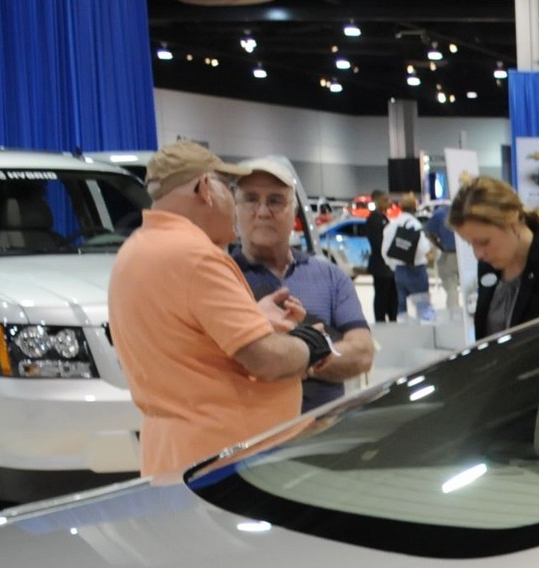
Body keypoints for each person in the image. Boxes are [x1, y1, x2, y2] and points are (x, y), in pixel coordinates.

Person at [108, 140, 334, 478]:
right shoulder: (196, 257)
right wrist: (310, 344)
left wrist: (254, 317)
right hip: (230, 460)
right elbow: (266, 360)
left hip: (173, 453)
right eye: (227, 187)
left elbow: (185, 343)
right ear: (204, 188)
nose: (232, 200)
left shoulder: (134, 252)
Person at [229, 155, 374, 414]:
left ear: (293, 211)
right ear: (235, 208)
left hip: (324, 435)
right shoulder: (221, 279)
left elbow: (362, 353)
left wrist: (287, 359)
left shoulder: (330, 277)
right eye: (251, 199)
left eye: (275, 200)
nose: (262, 212)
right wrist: (317, 348)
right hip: (251, 439)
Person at [450, 175, 539, 335]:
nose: (478, 254)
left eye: (484, 242)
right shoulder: (488, 266)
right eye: (471, 244)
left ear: (512, 223)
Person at [381, 191, 435, 323]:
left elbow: (385, 251)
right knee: (422, 305)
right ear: (415, 207)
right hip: (416, 269)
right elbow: (423, 248)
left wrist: (394, 265)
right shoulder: (415, 224)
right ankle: (425, 333)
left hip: (399, 271)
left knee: (401, 305)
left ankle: (404, 331)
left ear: (400, 206)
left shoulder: (392, 224)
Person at [423, 191, 462, 321]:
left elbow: (429, 233)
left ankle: (453, 317)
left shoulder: (440, 214)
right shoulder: (467, 211)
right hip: (468, 255)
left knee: (451, 288)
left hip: (449, 254)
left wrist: (440, 246)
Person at [360, 200, 399, 322]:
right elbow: (378, 241)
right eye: (385, 199)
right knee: (381, 294)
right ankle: (380, 319)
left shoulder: (382, 218)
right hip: (380, 265)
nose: (388, 202)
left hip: (388, 265)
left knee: (391, 294)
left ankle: (392, 317)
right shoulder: (374, 219)